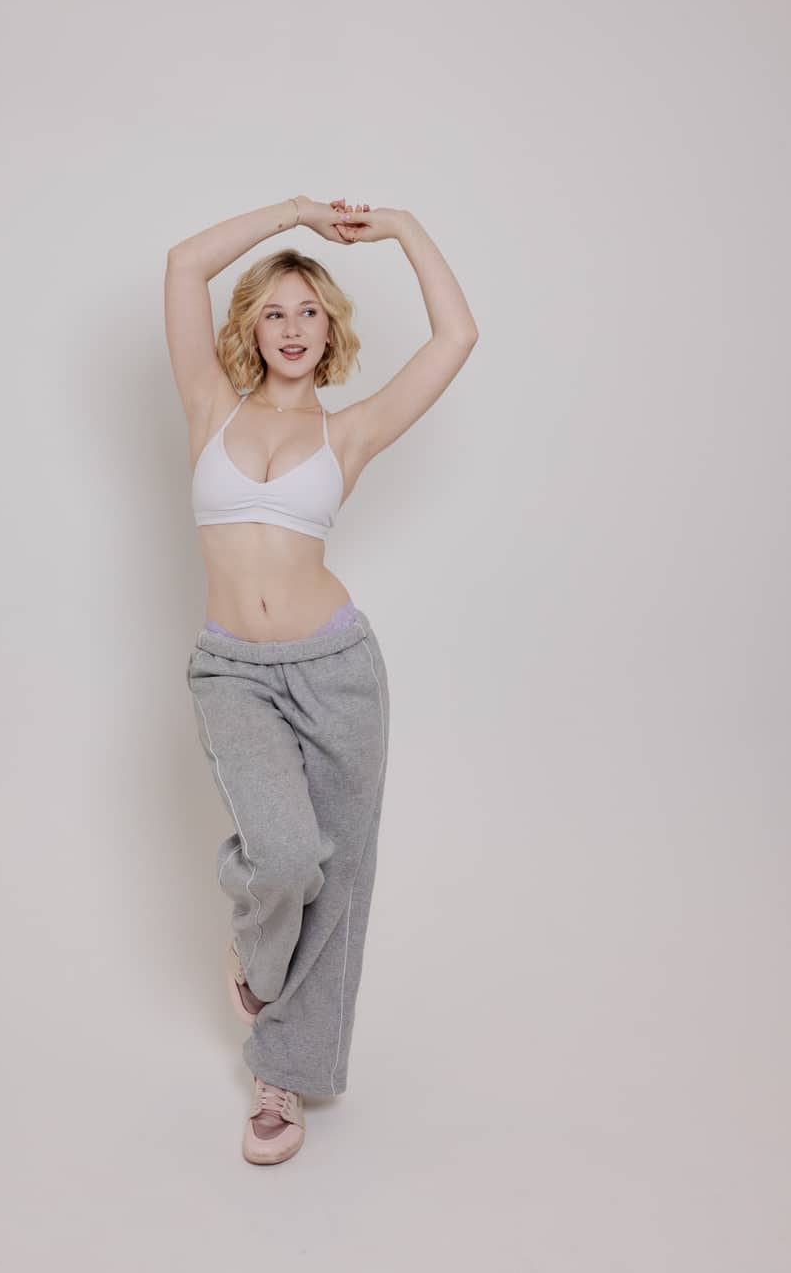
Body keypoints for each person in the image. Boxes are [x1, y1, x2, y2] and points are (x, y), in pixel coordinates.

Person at [164, 193, 479, 1164]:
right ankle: (256, 953)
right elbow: (183, 264)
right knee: (288, 857)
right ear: (251, 327)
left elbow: (456, 337)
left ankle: (283, 1078)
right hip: (234, 670)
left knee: (341, 881)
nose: (293, 327)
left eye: (309, 311)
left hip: (338, 670)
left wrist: (403, 227)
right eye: (274, 311)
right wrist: (295, 215)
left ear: (331, 328)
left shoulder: (351, 432)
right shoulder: (209, 405)